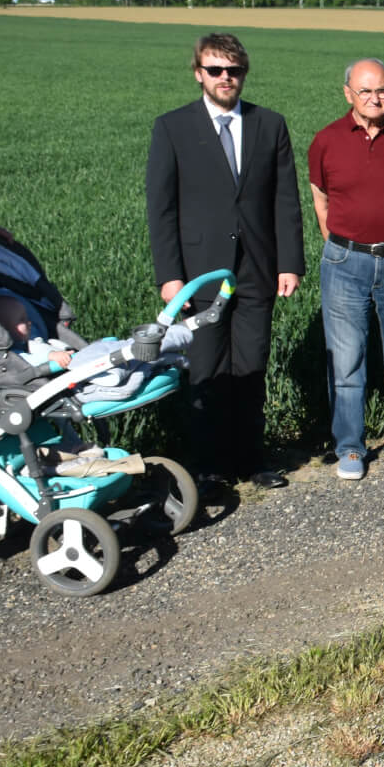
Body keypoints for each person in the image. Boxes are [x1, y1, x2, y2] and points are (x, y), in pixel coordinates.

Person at [146, 33, 304, 490]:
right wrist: (170, 276)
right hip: (200, 273)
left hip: (257, 268)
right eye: (215, 70)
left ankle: (253, 460)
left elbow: (285, 201)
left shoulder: (269, 124)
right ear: (199, 73)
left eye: (233, 70)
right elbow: (161, 208)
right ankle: (208, 466)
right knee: (206, 368)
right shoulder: (173, 128)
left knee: (252, 366)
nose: (225, 78)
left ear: (243, 74)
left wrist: (289, 263)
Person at [307, 57, 384, 481]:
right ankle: (349, 448)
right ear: (348, 93)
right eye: (365, 91)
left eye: (382, 90)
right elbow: (321, 199)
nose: (375, 98)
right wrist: (345, 245)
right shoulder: (326, 140)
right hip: (345, 261)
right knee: (346, 361)